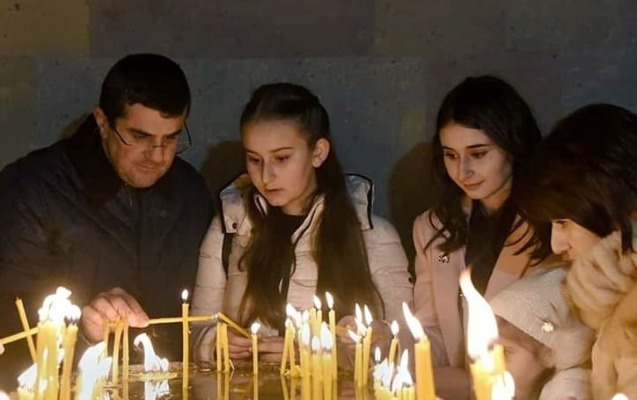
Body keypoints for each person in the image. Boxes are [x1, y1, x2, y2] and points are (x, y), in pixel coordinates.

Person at [0, 53, 213, 384]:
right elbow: (9, 321)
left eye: (170, 138)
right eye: (139, 137)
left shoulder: (189, 192)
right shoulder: (31, 190)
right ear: (102, 122)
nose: (157, 156)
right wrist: (84, 329)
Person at [190, 82, 412, 364]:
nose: (266, 175)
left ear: (318, 152)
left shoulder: (372, 235)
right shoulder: (229, 228)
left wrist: (319, 354)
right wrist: (213, 343)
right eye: (254, 159)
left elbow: (405, 345)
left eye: (282, 158)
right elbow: (195, 328)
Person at [411, 75, 555, 399]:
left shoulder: (553, 226)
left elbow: (540, 352)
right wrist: (385, 347)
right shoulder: (433, 227)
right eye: (450, 155)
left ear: (513, 146)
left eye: (478, 154)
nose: (462, 171)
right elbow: (431, 329)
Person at [515, 103, 637, 399]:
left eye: (563, 222)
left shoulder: (628, 323)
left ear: (609, 200)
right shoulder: (607, 298)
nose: (557, 245)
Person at [490, 267, 594, 399]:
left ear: (549, 353)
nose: (492, 362)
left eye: (505, 351)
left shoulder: (567, 391)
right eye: (490, 349)